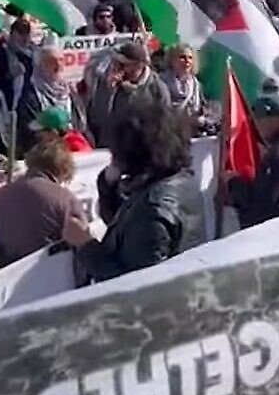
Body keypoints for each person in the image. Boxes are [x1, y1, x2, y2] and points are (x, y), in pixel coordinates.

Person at [61, 101, 203, 282]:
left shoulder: (152, 210)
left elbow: (134, 284)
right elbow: (125, 227)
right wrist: (107, 186)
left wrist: (85, 245)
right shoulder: (181, 181)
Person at [0, 136, 85, 275]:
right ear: (64, 168)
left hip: (7, 281)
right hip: (50, 279)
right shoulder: (66, 199)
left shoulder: (1, 195)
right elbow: (83, 245)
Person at [226, 91, 279, 229]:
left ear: (272, 120)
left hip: (273, 230)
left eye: (258, 121)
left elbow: (261, 205)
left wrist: (234, 183)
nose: (258, 128)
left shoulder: (278, 155)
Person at [85, 41, 168, 150]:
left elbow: (165, 120)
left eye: (124, 64)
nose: (119, 67)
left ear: (139, 65)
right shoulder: (107, 82)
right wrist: (108, 91)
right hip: (114, 148)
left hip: (144, 148)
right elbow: (97, 119)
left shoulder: (157, 87)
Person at [161, 44, 213, 131]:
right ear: (172, 60)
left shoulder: (196, 84)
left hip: (192, 132)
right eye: (182, 57)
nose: (187, 61)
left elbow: (203, 107)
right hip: (169, 132)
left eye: (190, 58)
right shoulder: (162, 82)